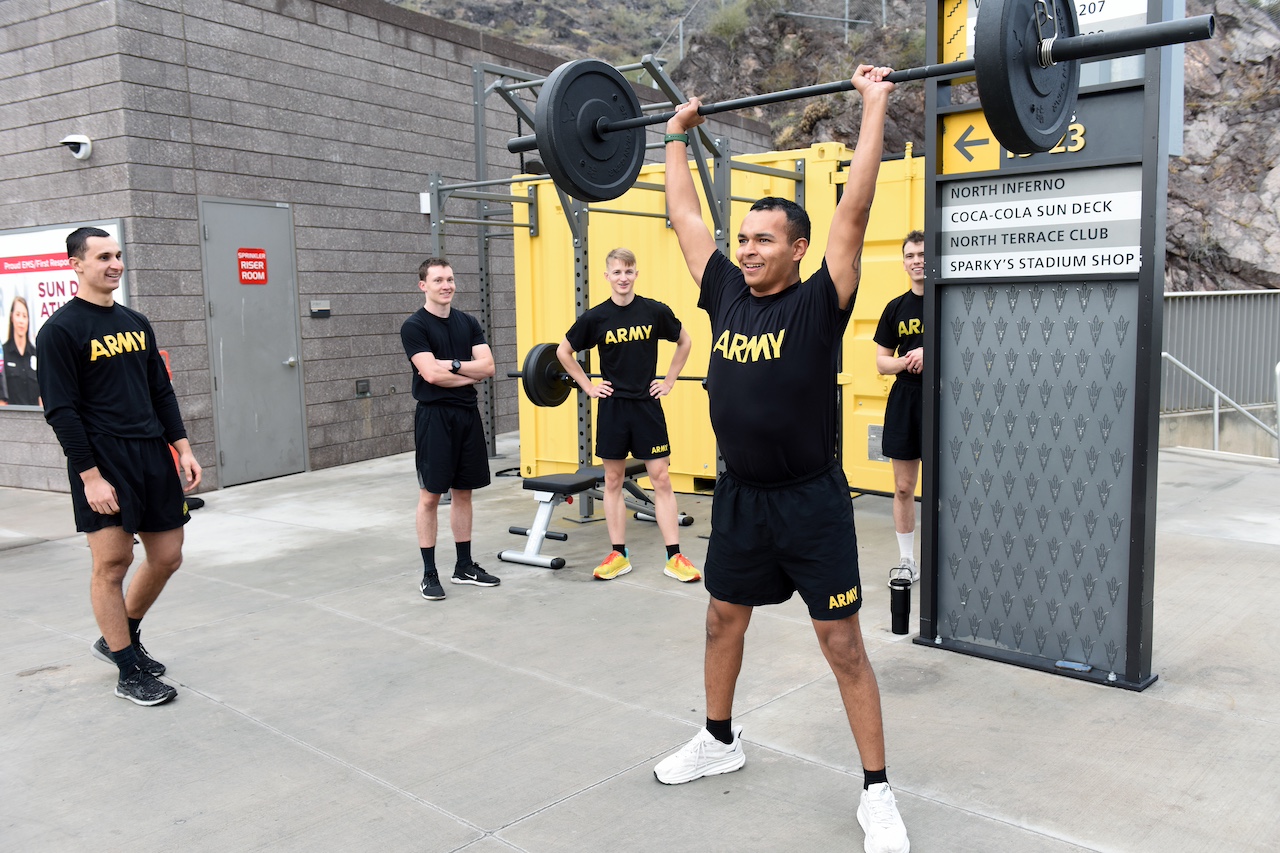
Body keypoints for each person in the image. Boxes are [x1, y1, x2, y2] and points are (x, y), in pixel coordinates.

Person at [651, 66, 910, 853]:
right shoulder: (724, 289)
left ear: (798, 248)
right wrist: (673, 137)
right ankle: (721, 738)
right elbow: (686, 216)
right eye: (746, 238)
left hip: (809, 499)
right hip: (740, 498)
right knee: (721, 618)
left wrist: (875, 107)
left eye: (767, 239)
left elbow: (856, 208)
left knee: (842, 646)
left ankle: (877, 792)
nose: (750, 249)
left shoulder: (820, 299)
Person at [37, 227, 201, 707]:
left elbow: (160, 391)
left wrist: (183, 447)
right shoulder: (60, 331)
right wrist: (90, 476)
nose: (114, 264)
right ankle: (129, 671)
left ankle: (118, 638)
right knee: (113, 562)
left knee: (168, 555)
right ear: (76, 264)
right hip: (103, 460)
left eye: (118, 255)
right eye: (103, 256)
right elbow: (61, 411)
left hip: (152, 452)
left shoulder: (135, 321)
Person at [555, 248, 699, 583]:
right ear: (607, 276)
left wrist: (669, 380)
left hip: (646, 406)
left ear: (636, 274)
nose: (623, 278)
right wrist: (588, 385)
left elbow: (685, 341)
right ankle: (619, 554)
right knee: (614, 481)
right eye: (617, 272)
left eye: (629, 272)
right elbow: (564, 351)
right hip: (614, 408)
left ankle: (674, 556)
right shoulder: (596, 317)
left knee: (661, 479)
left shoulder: (654, 311)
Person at [401, 257, 499, 601]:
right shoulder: (414, 327)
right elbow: (430, 375)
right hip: (434, 417)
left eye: (451, 279)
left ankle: (464, 566)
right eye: (439, 280)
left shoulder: (468, 322)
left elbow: (488, 368)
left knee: (464, 492)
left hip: (467, 416)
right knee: (430, 496)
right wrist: (466, 372)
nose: (447, 285)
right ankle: (429, 573)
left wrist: (453, 365)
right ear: (423, 285)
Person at [874, 231, 925, 586]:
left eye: (922, 254)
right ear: (904, 262)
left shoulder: (952, 301)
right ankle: (907, 560)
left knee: (949, 488)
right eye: (910, 255)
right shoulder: (895, 307)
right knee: (904, 487)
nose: (917, 260)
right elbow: (881, 362)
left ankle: (949, 556)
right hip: (905, 399)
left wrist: (931, 353)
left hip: (945, 399)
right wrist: (909, 360)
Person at [4, 296, 41, 406]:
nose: (21, 321)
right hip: (11, 421)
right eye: (18, 315)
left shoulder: (37, 354)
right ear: (12, 317)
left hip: (35, 420)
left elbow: (42, 397)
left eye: (24, 316)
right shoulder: (3, 354)